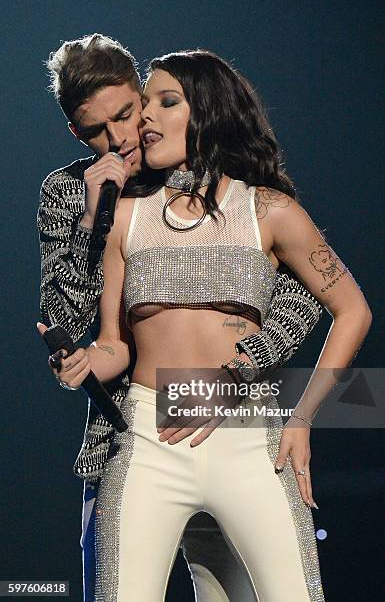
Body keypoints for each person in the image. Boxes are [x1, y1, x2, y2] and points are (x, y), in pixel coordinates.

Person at [38, 37, 326, 602]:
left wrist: (237, 370)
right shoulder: (68, 191)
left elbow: (306, 294)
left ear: (143, 99)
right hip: (129, 431)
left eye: (126, 114)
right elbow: (65, 317)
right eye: (97, 130)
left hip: (232, 419)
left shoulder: (200, 165)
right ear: (76, 132)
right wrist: (92, 221)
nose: (119, 138)